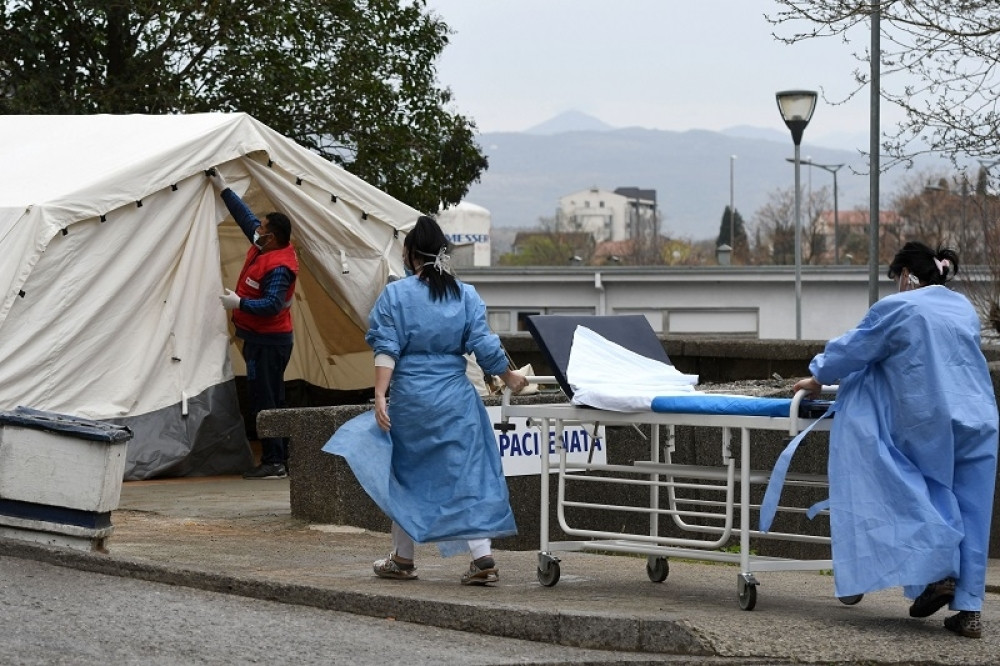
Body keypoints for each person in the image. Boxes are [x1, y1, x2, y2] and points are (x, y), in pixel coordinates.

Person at [793, 241, 998, 639]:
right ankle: (968, 610)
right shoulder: (963, 309)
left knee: (918, 492)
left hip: (931, 418)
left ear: (906, 276)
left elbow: (854, 348)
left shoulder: (899, 308)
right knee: (972, 509)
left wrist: (817, 376)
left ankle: (939, 576)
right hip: (981, 417)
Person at [325, 215, 527, 585]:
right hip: (456, 399)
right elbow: (484, 344)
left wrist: (380, 394)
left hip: (412, 399)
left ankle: (403, 558)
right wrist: (510, 377)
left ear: (410, 254)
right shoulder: (465, 294)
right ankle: (483, 559)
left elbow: (386, 348)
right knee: (468, 475)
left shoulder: (396, 295)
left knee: (404, 476)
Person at [208, 168, 298, 480]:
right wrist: (224, 189)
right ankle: (280, 457)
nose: (256, 229)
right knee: (267, 397)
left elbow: (273, 304)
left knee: (267, 399)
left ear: (272, 236)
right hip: (261, 339)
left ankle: (275, 461)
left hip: (270, 342)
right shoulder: (265, 245)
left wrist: (240, 304)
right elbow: (246, 218)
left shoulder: (280, 266)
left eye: (262, 228)